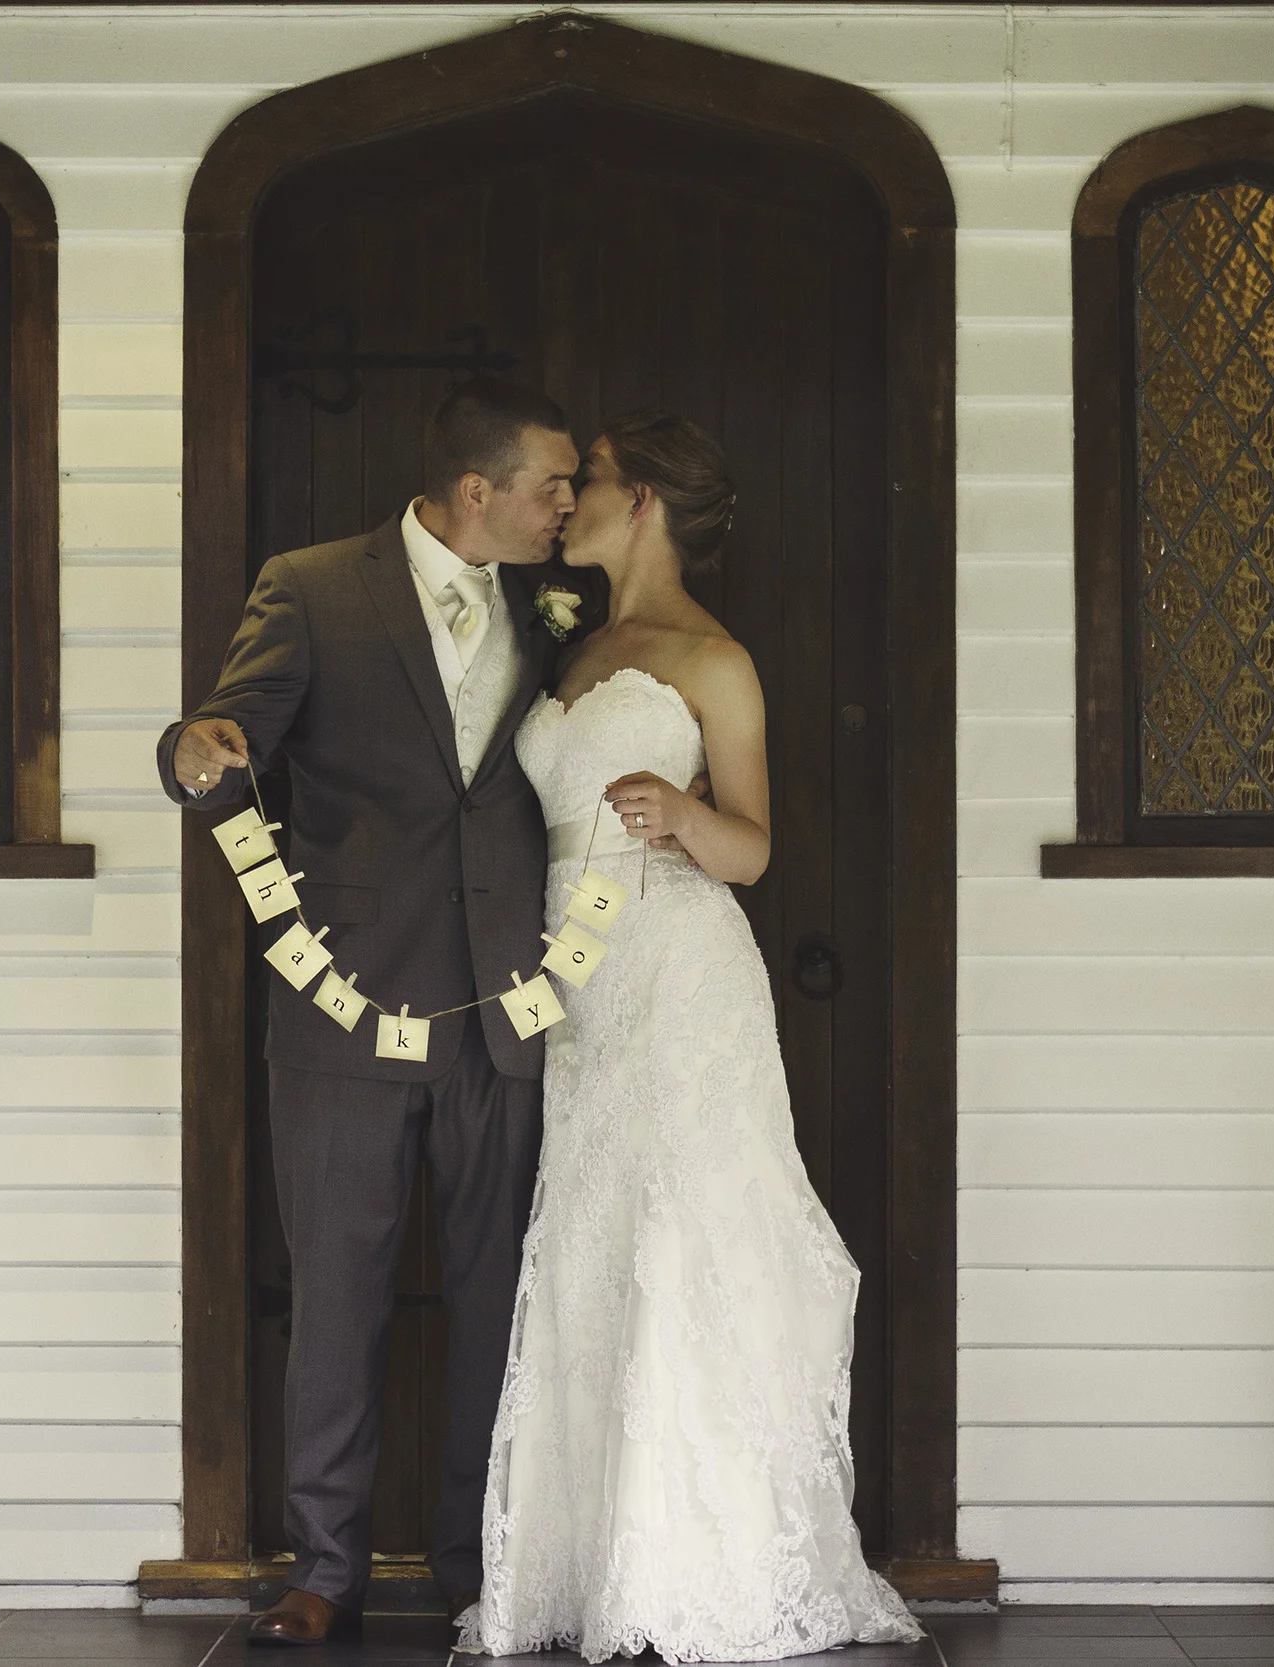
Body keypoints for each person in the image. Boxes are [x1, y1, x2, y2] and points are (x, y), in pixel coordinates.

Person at [461, 413, 921, 1663]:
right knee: (596, 1238)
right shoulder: (572, 641)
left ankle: (692, 1564)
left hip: (675, 970)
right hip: (581, 987)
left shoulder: (712, 659)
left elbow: (756, 849)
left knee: (682, 1237)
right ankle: (595, 1554)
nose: (568, 504)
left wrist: (679, 811)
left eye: (588, 484)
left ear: (643, 498)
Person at [159, 378, 577, 1645]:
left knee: (495, 1291)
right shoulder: (311, 584)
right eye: (552, 483)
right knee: (333, 1289)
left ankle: (471, 1557)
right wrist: (196, 750)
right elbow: (232, 729)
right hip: (343, 1002)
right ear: (477, 492)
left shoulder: (571, 605)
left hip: (509, 1000)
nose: (569, 504)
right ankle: (323, 1565)